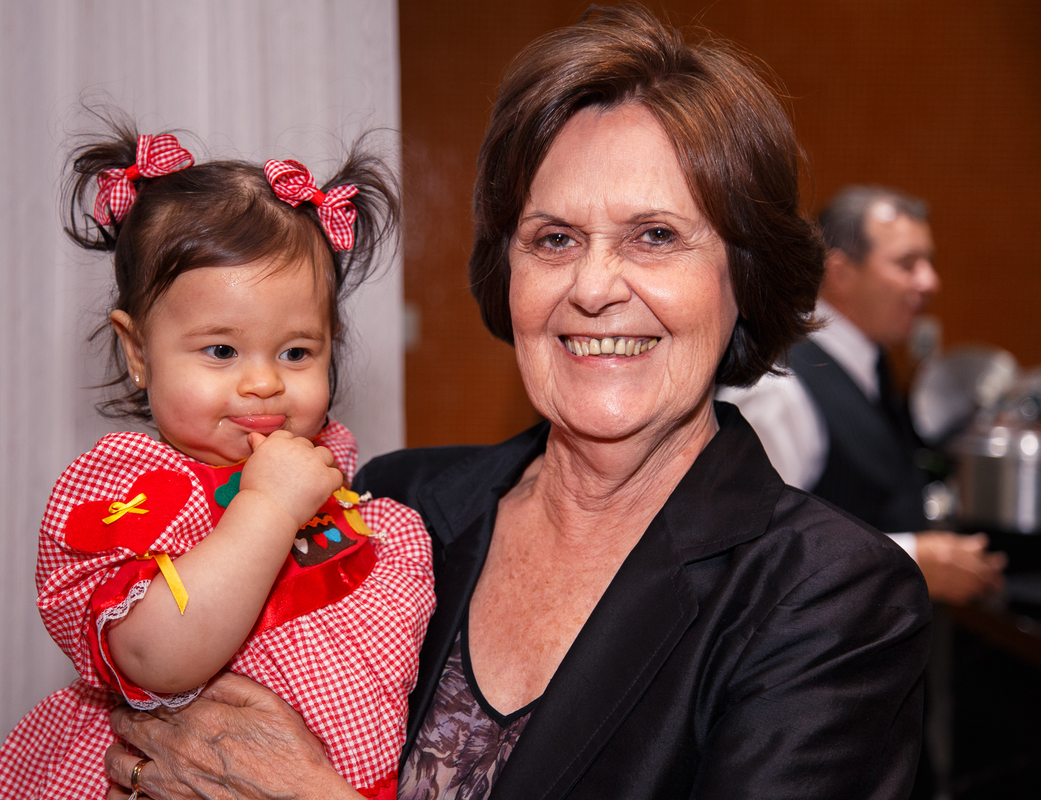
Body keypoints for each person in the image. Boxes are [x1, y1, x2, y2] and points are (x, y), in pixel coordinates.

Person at [102, 7, 932, 798]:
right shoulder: (392, 507)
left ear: (743, 277)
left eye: (655, 236)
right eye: (554, 239)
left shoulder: (831, 599)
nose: (594, 288)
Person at [0, 120, 435, 800]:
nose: (264, 383)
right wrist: (267, 508)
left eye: (297, 351)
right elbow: (154, 658)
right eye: (221, 350)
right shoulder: (138, 494)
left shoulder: (372, 520)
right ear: (138, 352)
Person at [719, 185, 1006, 605]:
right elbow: (747, 550)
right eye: (907, 264)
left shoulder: (873, 364)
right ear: (840, 273)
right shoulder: (778, 386)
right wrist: (911, 558)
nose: (930, 281)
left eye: (929, 262)